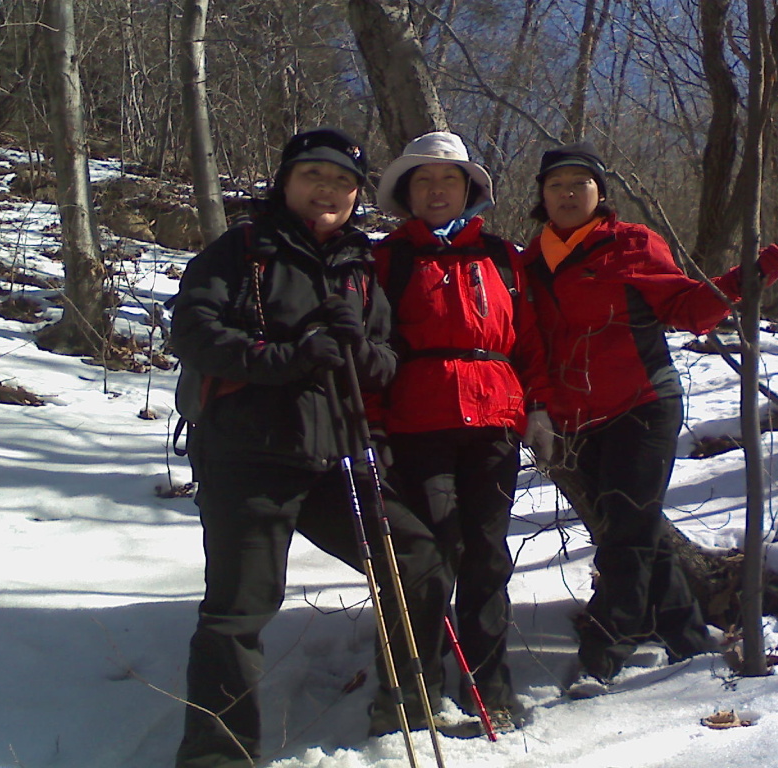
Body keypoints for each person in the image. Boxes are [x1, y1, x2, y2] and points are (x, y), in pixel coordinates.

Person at [169, 128, 451, 767]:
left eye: (343, 183)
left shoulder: (359, 266)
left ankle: (406, 703)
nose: (328, 191)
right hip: (249, 456)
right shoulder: (240, 249)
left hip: (337, 459)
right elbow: (194, 333)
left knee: (417, 560)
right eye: (313, 177)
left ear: (356, 195)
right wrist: (288, 358)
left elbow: (386, 363)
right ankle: (218, 754)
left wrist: (358, 349)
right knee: (238, 611)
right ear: (286, 182)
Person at [522, 141, 778, 683]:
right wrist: (540, 409)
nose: (568, 193)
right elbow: (533, 344)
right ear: (542, 198)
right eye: (556, 185)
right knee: (637, 529)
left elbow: (687, 308)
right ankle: (689, 640)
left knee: (626, 532)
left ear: (601, 193)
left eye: (580, 183)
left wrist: (747, 279)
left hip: (643, 405)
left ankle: (604, 649)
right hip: (578, 419)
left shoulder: (630, 244)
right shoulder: (530, 262)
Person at [370, 131, 554, 733]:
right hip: (418, 424)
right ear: (408, 193)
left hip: (495, 423)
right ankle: (411, 685)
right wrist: (373, 420)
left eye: (448, 179)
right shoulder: (388, 258)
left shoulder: (504, 256)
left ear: (469, 189)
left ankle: (489, 685)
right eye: (423, 180)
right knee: (430, 556)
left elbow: (529, 341)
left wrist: (541, 409)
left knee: (486, 555)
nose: (437, 189)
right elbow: (369, 346)